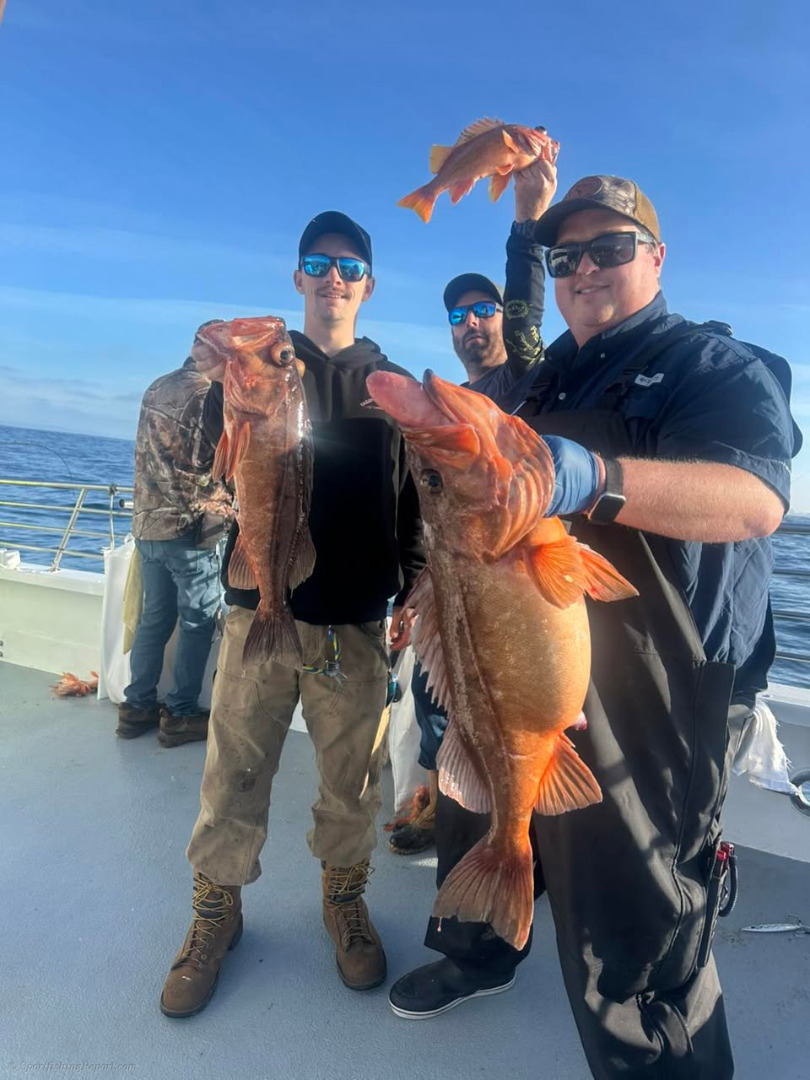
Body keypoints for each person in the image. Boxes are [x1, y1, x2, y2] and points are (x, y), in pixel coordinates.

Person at [389, 175, 800, 1080]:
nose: (585, 270)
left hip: (665, 694)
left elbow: (757, 501)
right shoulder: (547, 374)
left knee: (633, 926)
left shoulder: (718, 368)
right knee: (478, 804)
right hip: (524, 656)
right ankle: (483, 950)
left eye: (610, 249)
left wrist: (592, 477)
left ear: (657, 257)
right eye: (566, 256)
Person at [159, 211, 424, 1019]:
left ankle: (343, 901)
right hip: (256, 606)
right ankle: (215, 914)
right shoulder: (260, 367)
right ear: (299, 277)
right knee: (233, 774)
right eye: (320, 262)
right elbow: (193, 441)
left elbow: (415, 497)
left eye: (350, 267)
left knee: (352, 783)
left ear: (369, 285)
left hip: (356, 620)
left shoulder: (395, 385)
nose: (334, 277)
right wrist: (203, 370)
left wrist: (414, 580)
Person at [390, 159, 557, 859]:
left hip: (521, 579)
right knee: (440, 696)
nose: (470, 324)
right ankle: (444, 798)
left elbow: (527, 310)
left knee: (523, 706)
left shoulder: (531, 377)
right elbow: (421, 509)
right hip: (455, 578)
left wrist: (526, 226)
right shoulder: (449, 415)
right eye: (457, 316)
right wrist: (410, 594)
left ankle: (526, 826)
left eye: (482, 310)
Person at [117, 323, 232, 748]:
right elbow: (216, 462)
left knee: (154, 619)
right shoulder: (208, 395)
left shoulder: (157, 385)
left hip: (147, 526)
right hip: (189, 529)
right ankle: (181, 713)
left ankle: (136, 707)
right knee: (198, 621)